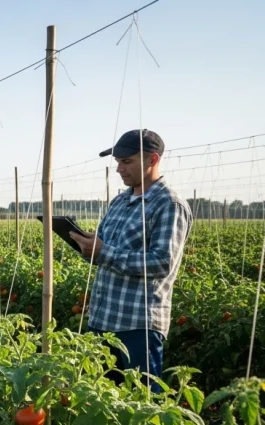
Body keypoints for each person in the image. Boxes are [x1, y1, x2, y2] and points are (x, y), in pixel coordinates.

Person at [69, 129, 192, 392]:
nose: (119, 170)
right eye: (117, 163)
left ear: (152, 159)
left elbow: (162, 263)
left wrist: (104, 252)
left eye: (126, 162)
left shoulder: (169, 204)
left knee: (143, 403)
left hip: (138, 326)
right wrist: (87, 245)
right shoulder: (120, 201)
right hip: (102, 320)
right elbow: (106, 251)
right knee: (101, 402)